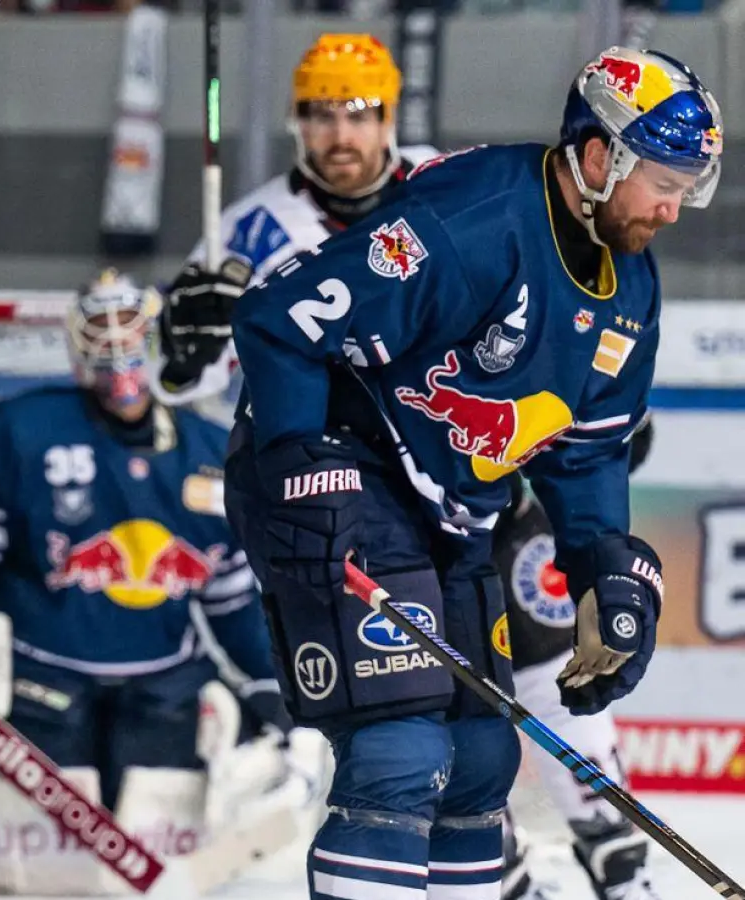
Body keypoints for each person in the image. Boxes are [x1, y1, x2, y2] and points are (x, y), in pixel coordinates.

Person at [215, 46, 717, 899]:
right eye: (664, 178)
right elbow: (277, 320)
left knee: (481, 761)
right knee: (398, 748)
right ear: (600, 158)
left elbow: (587, 448)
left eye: (687, 184)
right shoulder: (473, 218)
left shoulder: (632, 286)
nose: (674, 207)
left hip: (449, 508)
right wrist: (300, 464)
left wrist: (605, 571)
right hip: (345, 460)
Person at [0, 269, 292, 813]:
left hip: (163, 689)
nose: (117, 348)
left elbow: (234, 600)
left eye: (130, 332)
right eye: (101, 333)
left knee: (163, 800)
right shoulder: (23, 431)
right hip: (37, 683)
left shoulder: (212, 455)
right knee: (26, 820)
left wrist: (268, 681)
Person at [155, 33, 438, 412]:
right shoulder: (249, 233)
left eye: (358, 114)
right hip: (326, 450)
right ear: (299, 123)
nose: (341, 137)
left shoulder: (443, 183)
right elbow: (174, 384)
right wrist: (184, 354)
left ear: (388, 119)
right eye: (323, 115)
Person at [499, 418, 661, 900]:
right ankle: (499, 875)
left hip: (505, 518)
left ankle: (618, 859)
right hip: (404, 525)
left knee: (559, 688)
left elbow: (628, 435)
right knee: (441, 723)